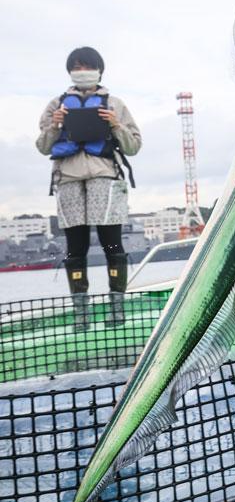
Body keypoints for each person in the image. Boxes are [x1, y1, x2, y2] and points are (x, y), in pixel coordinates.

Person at [36, 46, 141, 327]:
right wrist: (55, 126)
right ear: (70, 71)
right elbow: (42, 146)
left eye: (88, 66)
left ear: (99, 70)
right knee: (75, 247)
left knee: (112, 243)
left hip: (105, 177)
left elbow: (134, 146)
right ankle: (81, 314)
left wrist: (117, 125)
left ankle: (117, 310)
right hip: (68, 178)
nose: (82, 72)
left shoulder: (115, 103)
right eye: (77, 67)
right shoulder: (56, 105)